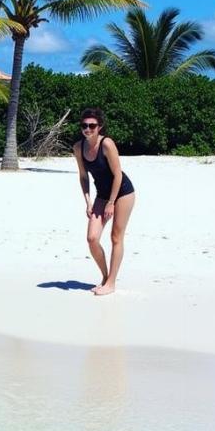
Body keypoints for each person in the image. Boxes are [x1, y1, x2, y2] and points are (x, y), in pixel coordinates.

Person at [72, 108, 136, 296]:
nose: (88, 129)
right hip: (101, 195)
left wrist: (111, 202)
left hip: (123, 192)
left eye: (92, 125)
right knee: (92, 238)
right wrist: (87, 201)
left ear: (99, 127)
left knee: (116, 237)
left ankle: (111, 283)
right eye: (84, 125)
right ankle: (105, 276)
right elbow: (83, 176)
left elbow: (117, 174)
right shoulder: (78, 147)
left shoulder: (107, 144)